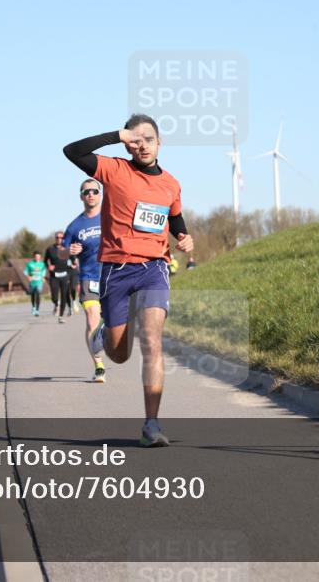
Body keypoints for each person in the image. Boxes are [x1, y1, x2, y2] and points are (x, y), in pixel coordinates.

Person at [63, 114, 194, 447]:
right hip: (115, 271)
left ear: (159, 143)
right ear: (128, 143)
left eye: (148, 139)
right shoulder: (114, 169)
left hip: (154, 267)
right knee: (119, 354)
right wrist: (116, 135)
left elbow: (175, 220)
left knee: (152, 341)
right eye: (136, 140)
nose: (142, 145)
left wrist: (184, 237)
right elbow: (72, 151)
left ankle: (151, 424)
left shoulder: (171, 183)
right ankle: (105, 332)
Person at [62, 178, 105, 382]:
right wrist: (69, 251)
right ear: (81, 196)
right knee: (91, 317)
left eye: (94, 191)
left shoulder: (112, 216)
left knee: (115, 322)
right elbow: (61, 251)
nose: (90, 194)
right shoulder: (75, 225)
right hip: (88, 277)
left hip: (113, 275)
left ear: (100, 194)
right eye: (86, 191)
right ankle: (98, 364)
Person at [44, 231, 74, 322]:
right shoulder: (50, 249)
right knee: (54, 296)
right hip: (54, 276)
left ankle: (61, 316)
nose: (59, 239)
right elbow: (45, 261)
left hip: (65, 275)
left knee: (64, 296)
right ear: (55, 238)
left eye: (61, 237)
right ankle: (56, 304)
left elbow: (73, 259)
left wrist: (74, 264)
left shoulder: (67, 248)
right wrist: (48, 267)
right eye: (57, 237)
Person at [23, 251, 47, 316]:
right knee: (33, 295)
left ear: (40, 257)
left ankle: (37, 310)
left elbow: (44, 271)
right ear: (34, 257)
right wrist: (28, 277)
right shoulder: (30, 264)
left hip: (39, 282)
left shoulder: (42, 264)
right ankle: (33, 307)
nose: (37, 258)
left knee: (38, 293)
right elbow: (25, 271)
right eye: (36, 256)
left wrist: (43, 277)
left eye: (38, 256)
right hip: (32, 282)